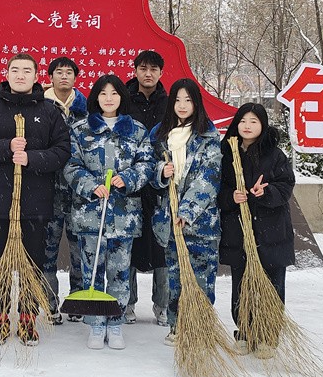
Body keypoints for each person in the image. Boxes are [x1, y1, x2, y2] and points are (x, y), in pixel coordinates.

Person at [0, 53, 71, 346]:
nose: (21, 75)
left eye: (27, 70)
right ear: (7, 74)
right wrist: (6, 147)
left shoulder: (49, 112)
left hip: (35, 206)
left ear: (37, 76)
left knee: (32, 265)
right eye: (15, 70)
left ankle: (27, 320)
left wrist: (32, 158)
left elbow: (62, 152)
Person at [64, 75, 155, 351]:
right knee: (92, 270)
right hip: (90, 215)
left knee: (119, 272)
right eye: (103, 94)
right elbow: (70, 164)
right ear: (95, 98)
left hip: (123, 216)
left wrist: (128, 178)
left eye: (114, 93)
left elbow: (147, 164)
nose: (108, 98)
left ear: (121, 97)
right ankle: (95, 323)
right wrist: (91, 185)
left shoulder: (137, 131)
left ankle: (114, 322)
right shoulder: (80, 130)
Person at [219, 103, 295, 359]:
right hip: (239, 232)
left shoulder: (275, 155)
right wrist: (231, 196)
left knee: (272, 283)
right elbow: (217, 191)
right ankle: (244, 331)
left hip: (271, 232)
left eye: (253, 121)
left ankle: (268, 333)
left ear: (262, 125)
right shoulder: (228, 153)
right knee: (242, 284)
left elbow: (286, 187)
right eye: (243, 121)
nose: (247, 126)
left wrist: (267, 192)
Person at [150, 78, 222, 345]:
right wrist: (160, 172)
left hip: (200, 223)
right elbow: (148, 168)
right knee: (175, 277)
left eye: (188, 100)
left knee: (202, 277)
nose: (182, 105)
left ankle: (201, 325)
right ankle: (176, 324)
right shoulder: (160, 134)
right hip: (170, 222)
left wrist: (188, 211)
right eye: (177, 100)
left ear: (196, 103)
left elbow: (209, 178)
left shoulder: (207, 135)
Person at [125, 50, 169, 326]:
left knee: (162, 246)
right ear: (136, 70)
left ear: (161, 73)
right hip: (130, 183)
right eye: (143, 68)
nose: (148, 73)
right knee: (128, 243)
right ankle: (128, 304)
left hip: (163, 185)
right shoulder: (123, 98)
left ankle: (162, 306)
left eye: (154, 69)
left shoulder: (171, 102)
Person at [43, 57, 87, 323]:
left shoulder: (85, 109)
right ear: (50, 77)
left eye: (68, 72)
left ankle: (78, 301)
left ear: (75, 78)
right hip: (48, 190)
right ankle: (49, 304)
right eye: (58, 72)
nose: (63, 77)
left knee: (79, 248)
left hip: (79, 192)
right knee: (47, 250)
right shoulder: (41, 107)